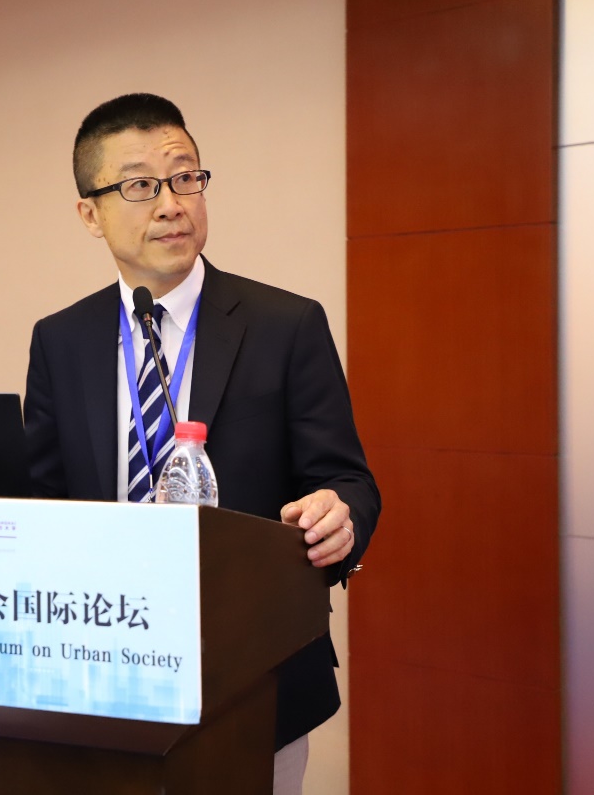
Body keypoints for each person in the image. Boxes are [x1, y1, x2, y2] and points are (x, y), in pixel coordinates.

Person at [23, 93, 379, 793]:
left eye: (185, 177)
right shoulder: (60, 339)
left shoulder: (285, 325)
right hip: (104, 669)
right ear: (90, 214)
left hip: (253, 674)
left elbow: (349, 482)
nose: (171, 204)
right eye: (140, 186)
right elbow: (43, 498)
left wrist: (342, 517)